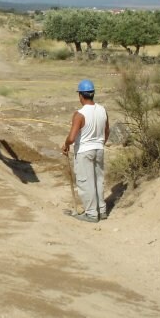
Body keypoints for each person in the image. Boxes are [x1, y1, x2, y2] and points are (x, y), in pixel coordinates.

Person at [61, 79, 110, 223]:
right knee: (98, 180)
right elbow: (107, 131)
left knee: (85, 182)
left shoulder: (80, 114)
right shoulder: (102, 110)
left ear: (81, 95)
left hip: (84, 151)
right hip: (99, 149)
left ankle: (91, 214)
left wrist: (66, 144)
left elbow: (71, 137)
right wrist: (100, 143)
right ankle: (102, 210)